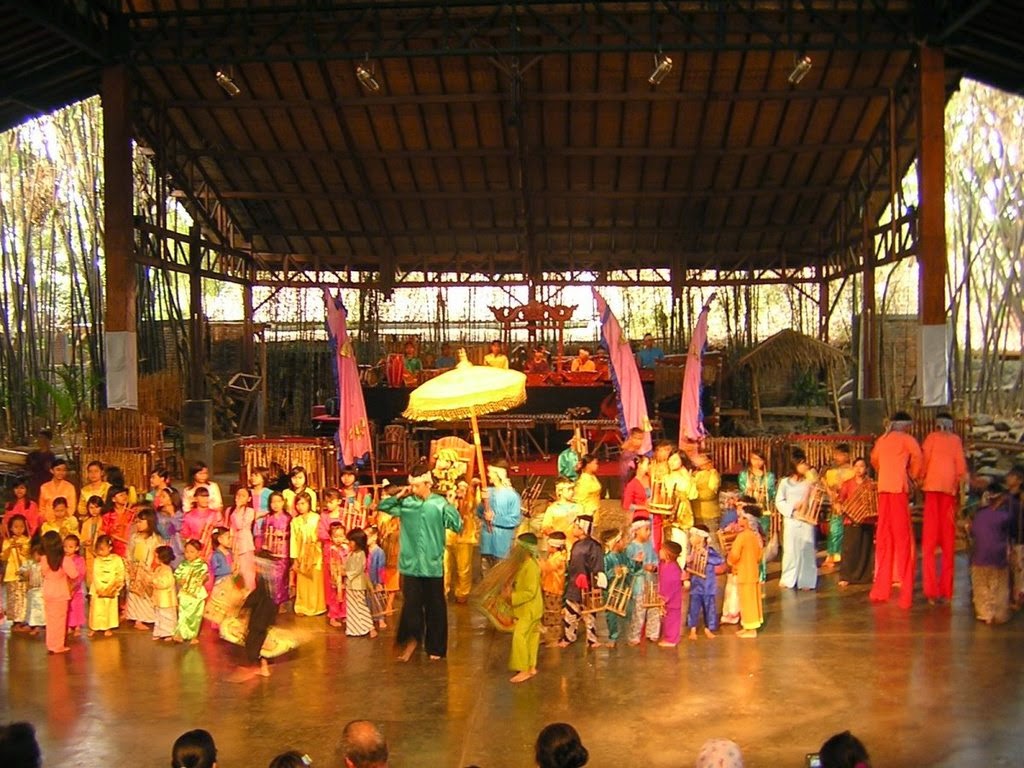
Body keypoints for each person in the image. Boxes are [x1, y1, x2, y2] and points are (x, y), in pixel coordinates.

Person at [378, 463, 462, 661]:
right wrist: (400, 494)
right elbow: (383, 507)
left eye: (417, 486)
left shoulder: (439, 504)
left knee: (435, 606)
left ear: (427, 484)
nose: (414, 490)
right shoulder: (407, 505)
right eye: (412, 486)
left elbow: (457, 525)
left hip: (432, 564)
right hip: (410, 565)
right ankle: (412, 641)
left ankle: (436, 647)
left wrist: (450, 505)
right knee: (412, 606)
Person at [869, 411, 923, 609]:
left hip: (883, 489)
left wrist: (886, 470)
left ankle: (881, 588)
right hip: (899, 490)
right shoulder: (908, 440)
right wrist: (912, 476)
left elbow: (874, 460)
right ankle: (905, 592)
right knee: (903, 540)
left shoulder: (882, 440)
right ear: (905, 425)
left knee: (883, 537)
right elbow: (918, 460)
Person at [919, 412, 968, 604]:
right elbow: (961, 469)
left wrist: (919, 478)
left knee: (930, 544)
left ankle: (932, 591)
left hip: (933, 492)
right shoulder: (955, 440)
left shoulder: (931, 438)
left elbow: (923, 463)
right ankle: (945, 590)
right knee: (947, 545)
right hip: (948, 494)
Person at [968, 482, 1016, 624]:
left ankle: (985, 614)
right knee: (999, 586)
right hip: (998, 557)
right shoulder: (1005, 516)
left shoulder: (979, 515)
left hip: (979, 558)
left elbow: (974, 534)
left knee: (981, 586)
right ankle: (998, 613)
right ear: (1001, 499)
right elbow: (1011, 533)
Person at [558, 514, 604, 649]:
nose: (573, 529)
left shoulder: (594, 546)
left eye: (576, 527)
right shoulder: (576, 545)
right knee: (570, 613)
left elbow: (597, 566)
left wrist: (595, 585)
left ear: (583, 529)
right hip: (574, 584)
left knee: (590, 615)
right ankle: (568, 637)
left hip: (588, 585)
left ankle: (592, 639)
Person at [776, 459, 817, 591]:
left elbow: (815, 499)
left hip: (806, 519)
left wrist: (811, 496)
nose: (805, 466)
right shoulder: (785, 483)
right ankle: (788, 578)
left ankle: (807, 580)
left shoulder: (809, 482)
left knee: (807, 549)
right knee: (790, 550)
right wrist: (792, 510)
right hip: (792, 519)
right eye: (802, 463)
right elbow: (779, 501)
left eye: (806, 463)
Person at [507, 532, 543, 683]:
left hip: (528, 609)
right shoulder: (528, 564)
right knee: (532, 637)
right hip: (533, 608)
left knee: (520, 637)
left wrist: (511, 597)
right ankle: (531, 666)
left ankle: (523, 669)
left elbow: (529, 592)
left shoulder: (531, 567)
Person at [837, 458, 877, 586]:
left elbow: (875, 501)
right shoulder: (847, 484)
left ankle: (864, 576)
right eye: (856, 466)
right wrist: (839, 506)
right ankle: (846, 577)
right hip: (851, 520)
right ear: (853, 468)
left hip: (867, 520)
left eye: (862, 466)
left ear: (866, 469)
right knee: (850, 549)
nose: (859, 469)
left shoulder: (871, 484)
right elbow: (840, 500)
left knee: (865, 549)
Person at [477, 460, 522, 574]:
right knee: (486, 578)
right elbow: (479, 513)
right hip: (487, 543)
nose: (488, 475)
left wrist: (495, 519)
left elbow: (515, 519)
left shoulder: (512, 495)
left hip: (502, 545)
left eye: (490, 472)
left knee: (500, 578)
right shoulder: (488, 492)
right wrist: (482, 502)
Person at [727, 509, 765, 638]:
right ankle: (747, 626)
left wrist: (730, 561)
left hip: (744, 572)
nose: (739, 520)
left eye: (742, 518)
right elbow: (760, 555)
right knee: (750, 600)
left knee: (748, 601)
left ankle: (751, 629)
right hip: (753, 571)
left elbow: (734, 554)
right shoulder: (755, 536)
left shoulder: (742, 537)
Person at [125, 508, 164, 629]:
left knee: (148, 596)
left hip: (149, 570)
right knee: (135, 595)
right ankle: (138, 620)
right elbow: (129, 553)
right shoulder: (134, 538)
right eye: (137, 522)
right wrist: (130, 567)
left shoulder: (156, 539)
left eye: (141, 522)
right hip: (136, 569)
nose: (138, 524)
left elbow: (159, 554)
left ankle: (149, 617)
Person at [39, 530, 76, 653]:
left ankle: (51, 645)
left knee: (50, 620)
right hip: (60, 592)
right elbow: (74, 574)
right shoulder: (64, 559)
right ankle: (58, 646)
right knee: (60, 620)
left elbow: (43, 573)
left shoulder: (44, 558)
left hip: (48, 591)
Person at [625, 515, 660, 645]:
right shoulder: (631, 548)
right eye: (646, 529)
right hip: (639, 583)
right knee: (638, 611)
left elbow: (655, 560)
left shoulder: (649, 546)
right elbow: (629, 567)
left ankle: (653, 633)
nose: (649, 532)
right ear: (636, 530)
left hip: (651, 581)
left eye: (649, 529)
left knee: (653, 607)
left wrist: (654, 567)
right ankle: (634, 636)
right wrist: (642, 566)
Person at [685, 526, 724, 639]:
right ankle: (693, 629)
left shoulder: (709, 551)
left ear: (701, 538)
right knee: (693, 608)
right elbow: (686, 566)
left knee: (709, 608)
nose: (691, 539)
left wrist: (706, 557)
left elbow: (720, 560)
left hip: (708, 585)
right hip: (695, 584)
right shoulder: (691, 552)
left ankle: (708, 628)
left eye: (693, 536)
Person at [822, 444, 856, 572]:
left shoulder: (852, 471)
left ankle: (843, 555)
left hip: (850, 505)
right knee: (834, 530)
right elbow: (829, 488)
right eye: (835, 454)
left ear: (847, 456)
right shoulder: (831, 472)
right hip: (836, 503)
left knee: (847, 531)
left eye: (839, 454)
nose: (836, 457)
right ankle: (832, 554)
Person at [290, 492, 325, 617]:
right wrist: (295, 558)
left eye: (303, 503)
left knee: (315, 579)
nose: (300, 506)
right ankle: (302, 606)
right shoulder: (295, 521)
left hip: (315, 552)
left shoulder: (316, 517)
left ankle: (317, 606)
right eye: (298, 504)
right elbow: (293, 540)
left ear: (309, 504)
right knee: (303, 579)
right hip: (301, 553)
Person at [255, 491, 291, 611]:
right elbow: (263, 532)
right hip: (270, 551)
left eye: (278, 501)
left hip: (283, 551)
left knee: (281, 578)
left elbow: (292, 534)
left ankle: (281, 602)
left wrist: (284, 534)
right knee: (271, 578)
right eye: (273, 502)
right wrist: (262, 546)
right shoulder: (267, 518)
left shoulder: (288, 518)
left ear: (283, 503)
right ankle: (271, 602)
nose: (275, 504)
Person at [600, 529, 633, 648]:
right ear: (615, 542)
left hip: (624, 589)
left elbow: (631, 567)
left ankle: (626, 636)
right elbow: (603, 575)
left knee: (627, 613)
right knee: (612, 615)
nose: (624, 543)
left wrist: (633, 566)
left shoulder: (623, 556)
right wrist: (613, 572)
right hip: (611, 591)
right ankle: (613, 636)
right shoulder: (606, 558)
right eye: (621, 541)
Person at [174, 539, 209, 643]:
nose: (188, 554)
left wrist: (203, 579)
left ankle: (193, 635)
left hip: (197, 594)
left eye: (192, 552)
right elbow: (177, 575)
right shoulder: (183, 564)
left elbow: (206, 576)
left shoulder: (202, 565)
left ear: (198, 553)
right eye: (187, 552)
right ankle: (180, 633)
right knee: (183, 614)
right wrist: (180, 580)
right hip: (185, 592)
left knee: (196, 615)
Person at [88, 535, 124, 637]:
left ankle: (107, 627)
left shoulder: (117, 559)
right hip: (98, 589)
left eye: (102, 549)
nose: (100, 552)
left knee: (109, 609)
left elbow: (120, 573)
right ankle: (94, 627)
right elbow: (95, 574)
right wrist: (101, 588)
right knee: (96, 609)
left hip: (111, 588)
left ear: (110, 548)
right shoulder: (97, 560)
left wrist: (113, 586)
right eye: (98, 550)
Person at [2, 515, 31, 631]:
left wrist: (21, 547)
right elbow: (4, 557)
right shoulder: (7, 541)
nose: (19, 529)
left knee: (23, 597)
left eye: (21, 526)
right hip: (11, 573)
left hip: (23, 572)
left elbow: (28, 554)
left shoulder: (26, 540)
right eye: (16, 527)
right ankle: (15, 621)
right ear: (11, 528)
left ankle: (22, 619)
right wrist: (10, 547)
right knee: (14, 598)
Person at [345, 527, 376, 637]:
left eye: (351, 541)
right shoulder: (351, 554)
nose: (349, 543)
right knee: (352, 607)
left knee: (360, 606)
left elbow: (358, 569)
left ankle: (370, 626)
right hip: (349, 584)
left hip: (357, 584)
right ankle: (354, 628)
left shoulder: (361, 554)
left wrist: (346, 573)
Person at [227, 487, 257, 590]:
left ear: (249, 499)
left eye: (243, 495)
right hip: (233, 544)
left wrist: (238, 509)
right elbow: (228, 527)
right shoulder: (230, 510)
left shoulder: (250, 511)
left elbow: (240, 525)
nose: (239, 497)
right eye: (238, 495)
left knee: (247, 572)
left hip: (245, 545)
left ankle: (248, 594)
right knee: (235, 571)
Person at [540, 531, 568, 641]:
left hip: (554, 590)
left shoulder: (558, 558)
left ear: (554, 546)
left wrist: (537, 559)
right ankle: (549, 636)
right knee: (549, 614)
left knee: (553, 615)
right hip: (549, 588)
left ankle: (554, 638)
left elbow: (546, 568)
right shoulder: (554, 556)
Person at [657, 539, 684, 647]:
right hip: (664, 596)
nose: (659, 552)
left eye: (662, 550)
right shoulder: (664, 564)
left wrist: (665, 598)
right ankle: (668, 637)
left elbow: (672, 585)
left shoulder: (673, 568)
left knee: (673, 619)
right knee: (667, 619)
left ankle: (672, 639)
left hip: (672, 598)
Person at [325, 521, 349, 628]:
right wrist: (337, 576)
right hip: (337, 577)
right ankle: (333, 617)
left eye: (341, 536)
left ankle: (344, 614)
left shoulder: (346, 548)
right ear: (331, 538)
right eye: (335, 537)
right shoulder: (332, 550)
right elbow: (332, 565)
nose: (338, 539)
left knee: (345, 596)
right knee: (335, 597)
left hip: (346, 575)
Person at [102, 486, 137, 558]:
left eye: (125, 494)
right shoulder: (107, 516)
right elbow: (106, 534)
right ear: (113, 499)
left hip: (132, 547)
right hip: (114, 550)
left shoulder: (132, 513)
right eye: (121, 495)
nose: (125, 497)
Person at [690, 454, 722, 535]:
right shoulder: (693, 474)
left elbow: (710, 494)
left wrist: (693, 494)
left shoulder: (713, 474)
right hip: (695, 513)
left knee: (712, 539)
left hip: (709, 515)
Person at [152, 545, 178, 641]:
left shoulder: (167, 570)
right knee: (159, 616)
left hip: (166, 599)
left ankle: (169, 633)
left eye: (156, 556)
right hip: (159, 598)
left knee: (167, 616)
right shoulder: (159, 569)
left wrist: (154, 580)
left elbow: (165, 583)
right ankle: (159, 632)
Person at [39, 459, 76, 523]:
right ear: (51, 470)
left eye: (64, 470)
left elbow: (72, 507)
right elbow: (42, 508)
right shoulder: (44, 487)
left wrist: (63, 520)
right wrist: (47, 520)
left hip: (65, 522)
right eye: (58, 470)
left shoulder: (70, 487)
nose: (61, 472)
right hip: (48, 522)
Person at [63, 534, 86, 636]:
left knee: (76, 607)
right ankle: (68, 625)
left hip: (76, 588)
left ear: (76, 548)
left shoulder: (79, 560)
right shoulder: (62, 559)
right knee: (67, 608)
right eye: (65, 547)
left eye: (71, 547)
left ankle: (77, 626)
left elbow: (81, 574)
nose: (67, 549)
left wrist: (74, 586)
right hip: (64, 586)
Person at [25, 429, 55, 501]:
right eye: (39, 437)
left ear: (47, 440)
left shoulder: (51, 456)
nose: (39, 440)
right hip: (34, 485)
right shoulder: (32, 455)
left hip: (46, 486)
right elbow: (27, 468)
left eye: (42, 437)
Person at [573, 455, 602, 521]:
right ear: (588, 465)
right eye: (595, 463)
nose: (597, 466)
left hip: (594, 509)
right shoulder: (584, 480)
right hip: (587, 513)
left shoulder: (592, 476)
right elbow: (579, 500)